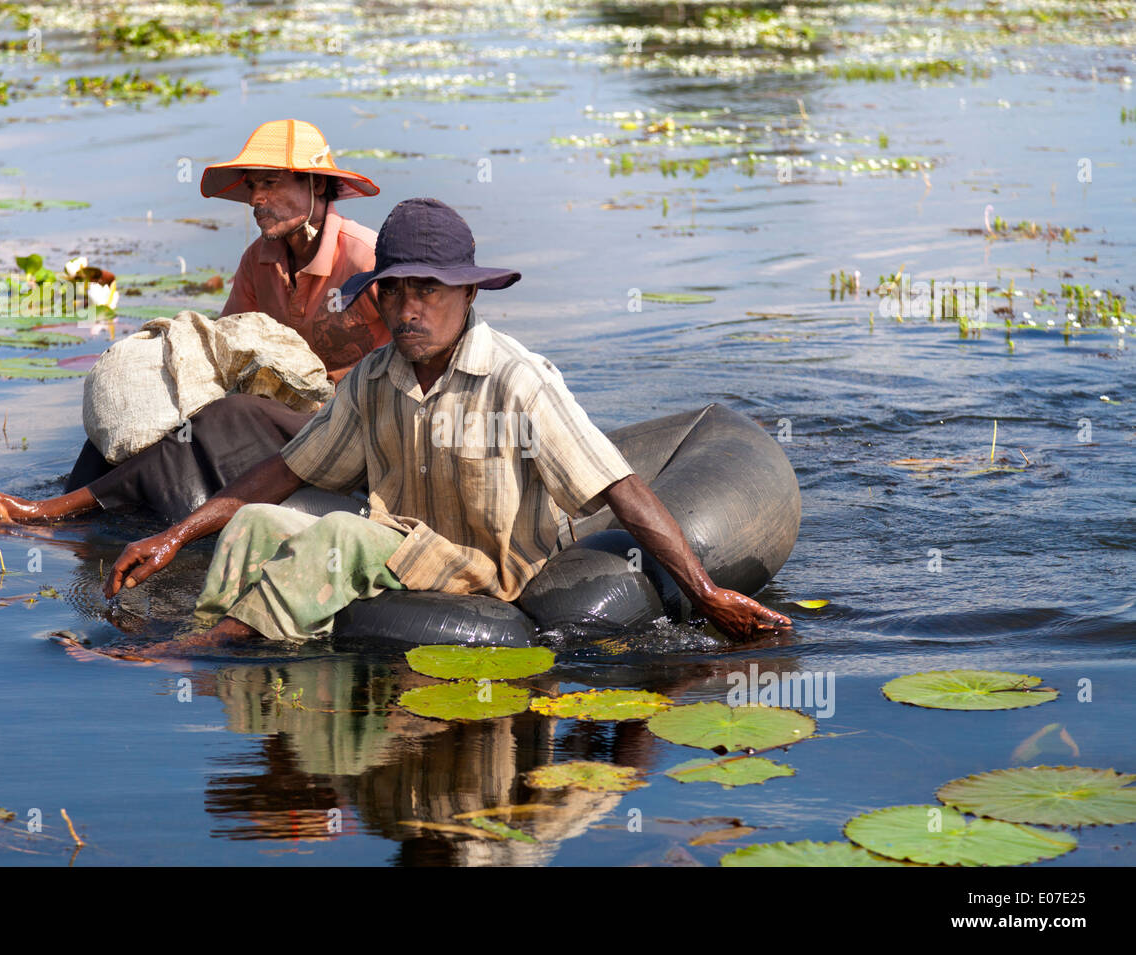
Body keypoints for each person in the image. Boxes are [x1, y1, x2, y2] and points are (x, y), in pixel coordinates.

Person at [102, 198, 792, 647]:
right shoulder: (376, 379)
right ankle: (222, 655)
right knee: (256, 523)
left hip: (490, 575)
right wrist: (172, 536)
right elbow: (287, 470)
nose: (408, 309)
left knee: (340, 533)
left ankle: (201, 651)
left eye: (428, 290)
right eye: (394, 289)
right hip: (402, 549)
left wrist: (704, 592)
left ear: (467, 293)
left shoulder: (518, 381)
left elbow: (620, 486)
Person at [0, 119, 387, 525]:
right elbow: (224, 344)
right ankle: (74, 503)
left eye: (271, 184)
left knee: (229, 413)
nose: (256, 200)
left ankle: (41, 511)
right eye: (253, 187)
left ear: (314, 183)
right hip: (285, 412)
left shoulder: (365, 258)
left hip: (352, 424)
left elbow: (412, 367)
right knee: (157, 403)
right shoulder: (259, 260)